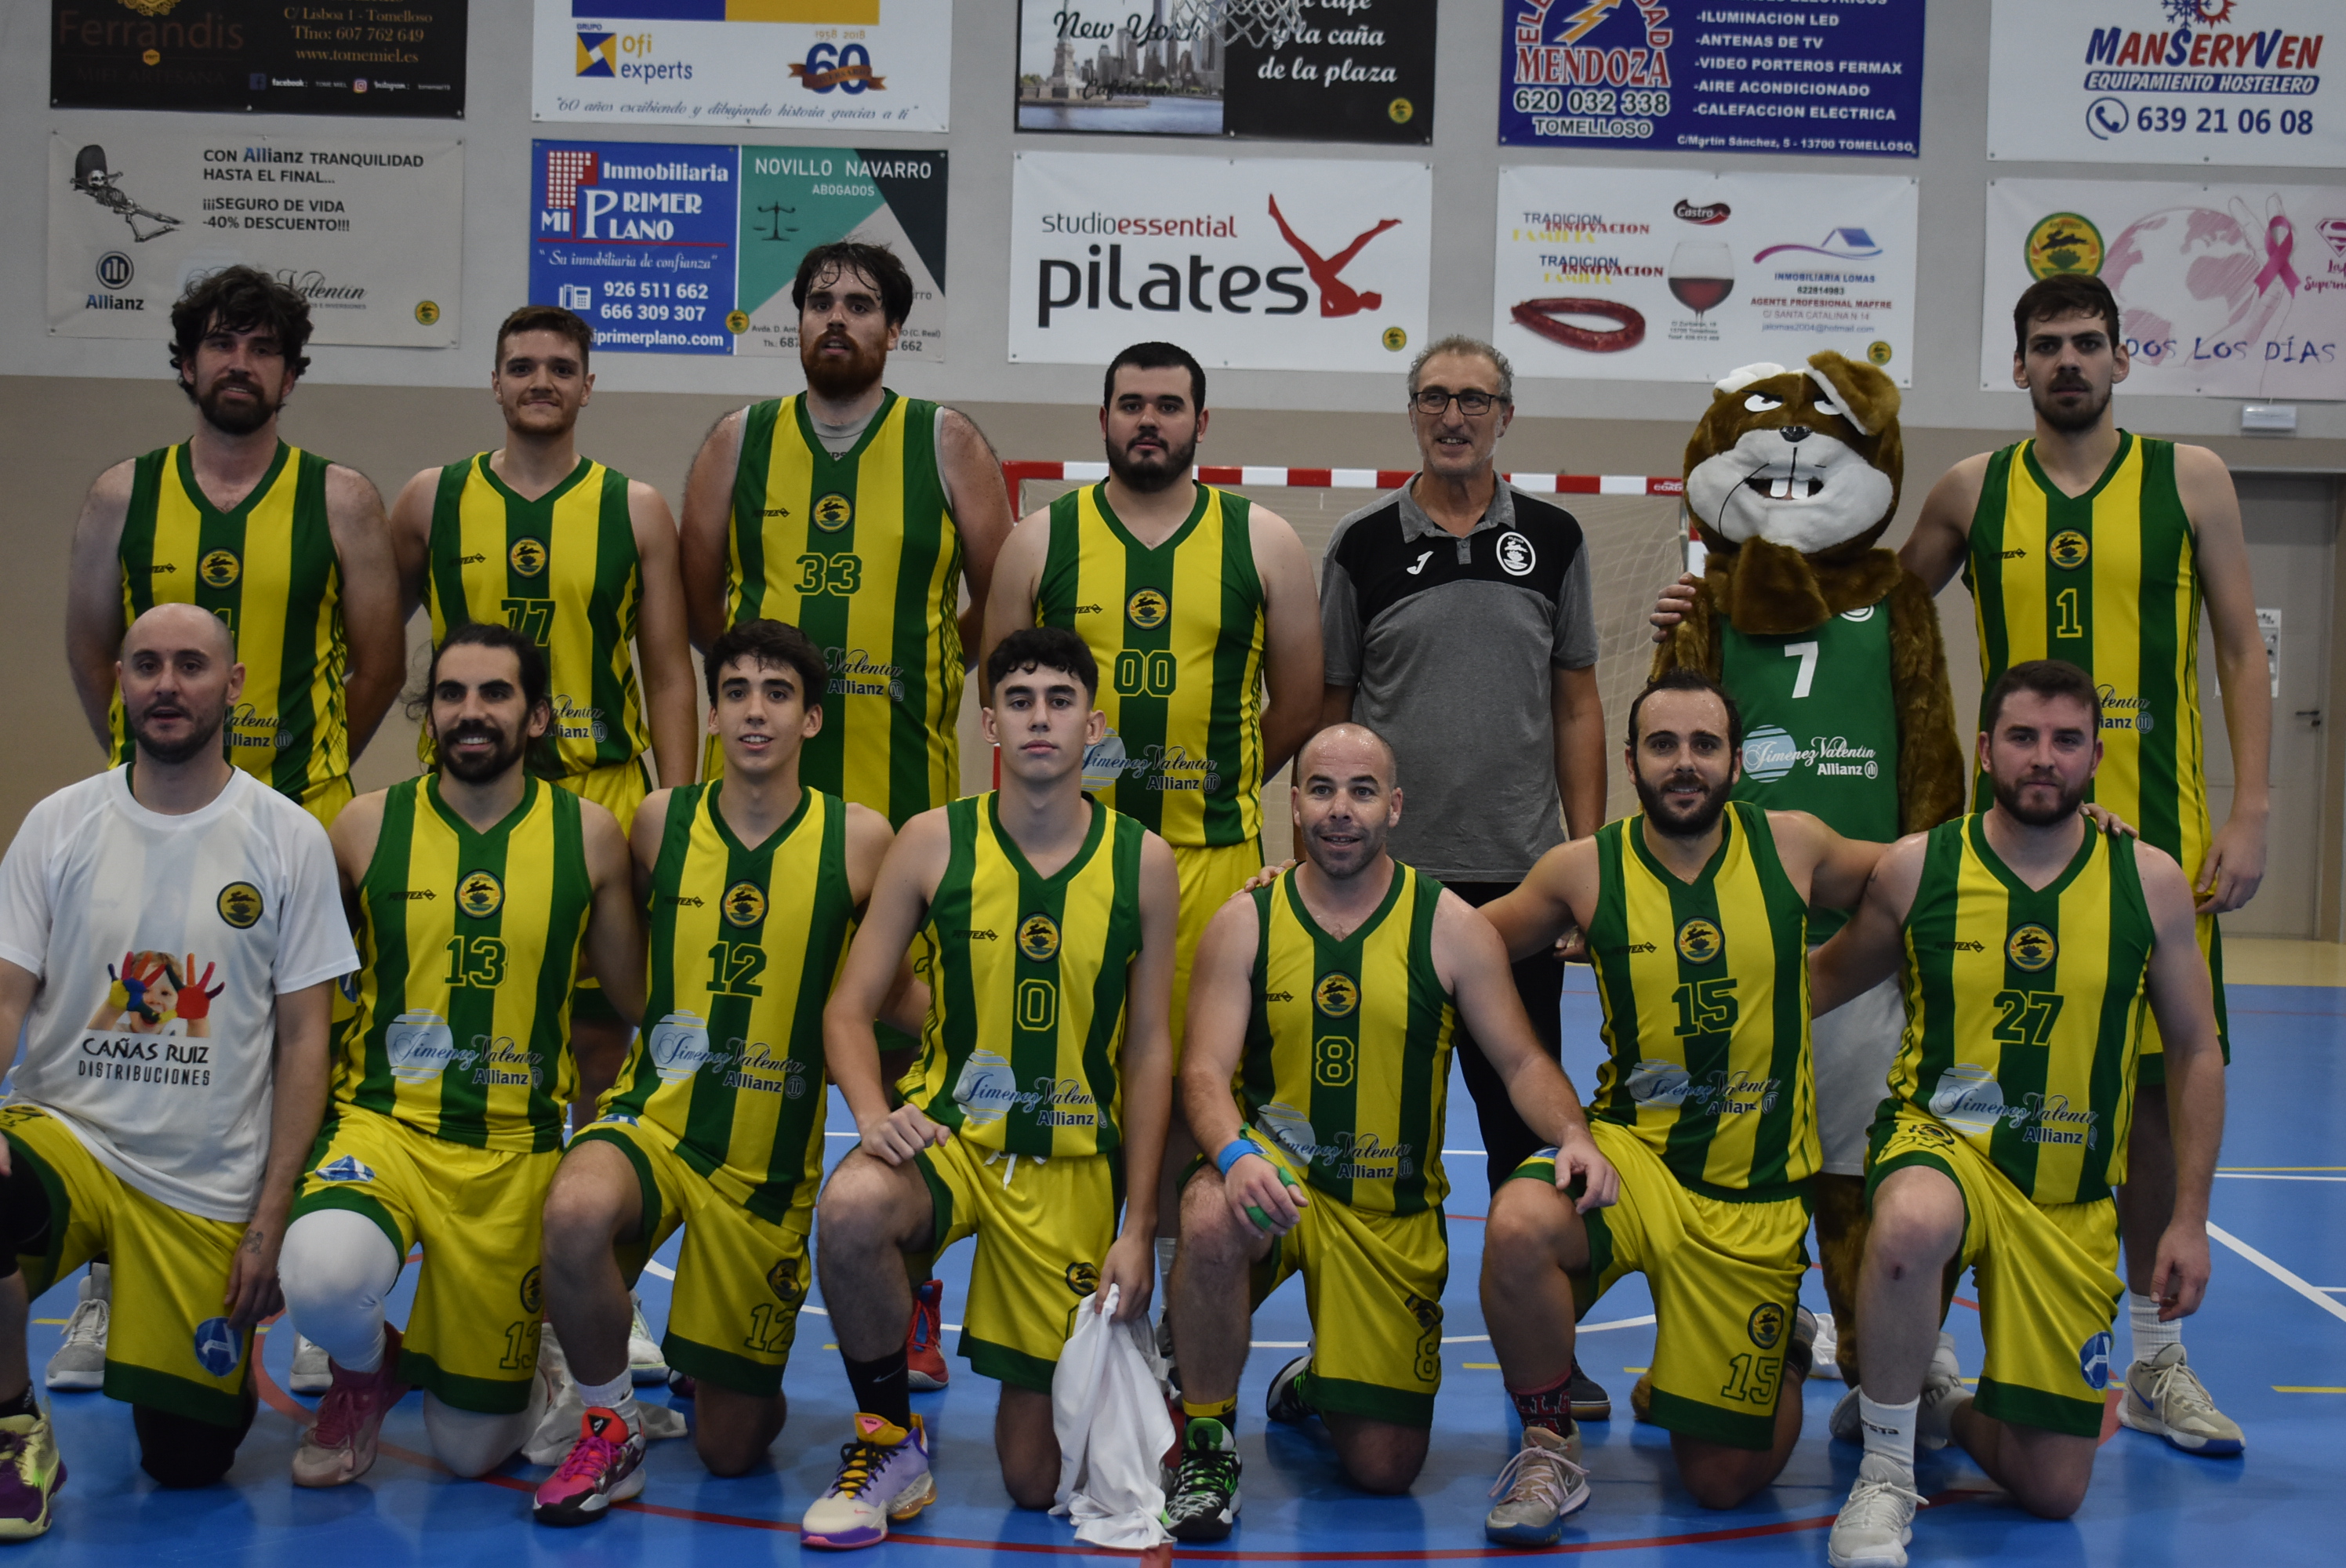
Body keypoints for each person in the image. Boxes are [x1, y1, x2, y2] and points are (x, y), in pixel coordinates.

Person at [1654, 274, 2266, 1449]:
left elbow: (2241, 648)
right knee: (1956, 1087)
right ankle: (1919, 1349)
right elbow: (1860, 601)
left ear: (2121, 357)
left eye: (2088, 342)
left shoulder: (2192, 478)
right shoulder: (1970, 490)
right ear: (2018, 364)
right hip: (1999, 843)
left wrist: (2255, 810)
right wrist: (1718, 596)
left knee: (2148, 1092)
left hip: (2158, 837)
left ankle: (2156, 1354)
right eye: (2048, 345)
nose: (2069, 361)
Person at [679, 240, 1018, 1385]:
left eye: (861, 304)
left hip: (904, 796)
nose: (837, 317)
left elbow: (1000, 599)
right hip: (759, 812)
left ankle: (912, 1289)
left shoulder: (946, 441)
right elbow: (702, 603)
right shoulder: (737, 439)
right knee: (750, 1037)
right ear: (796, 319)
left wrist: (926, 656)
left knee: (911, 1036)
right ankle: (729, 1284)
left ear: (894, 329)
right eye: (819, 300)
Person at [1813, 659, 2225, 1568]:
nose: (2044, 757)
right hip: (1943, 1139)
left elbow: (2196, 1050)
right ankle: (1883, 1474)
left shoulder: (2148, 879)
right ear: (1985, 749)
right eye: (2023, 737)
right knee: (1910, 1220)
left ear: (2096, 757)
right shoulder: (1920, 865)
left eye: (2066, 739)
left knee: (2051, 1488)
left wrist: (2188, 1217)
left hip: (2066, 1194)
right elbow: (1815, 983)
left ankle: (1939, 1407)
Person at [1162, 722, 1618, 1539]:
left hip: (1388, 1216)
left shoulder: (1452, 928)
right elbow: (1202, 1071)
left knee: (1383, 1467)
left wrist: (1574, 1134)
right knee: (1207, 1210)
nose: (1341, 809)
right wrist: (1232, 1155)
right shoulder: (1246, 920)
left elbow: (1521, 1061)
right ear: (1294, 803)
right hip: (1275, 1184)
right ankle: (1207, 1443)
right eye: (1322, 789)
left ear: (1395, 806)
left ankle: (1321, 1381)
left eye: (1362, 791)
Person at [1468, 670, 1891, 1542]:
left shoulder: (1794, 845)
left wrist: (2068, 824)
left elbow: (1925, 876)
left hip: (1754, 1195)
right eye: (1663, 745)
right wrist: (1311, 886)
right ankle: (1550, 1443)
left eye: (1705, 744)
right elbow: (1450, 938)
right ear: (1631, 762)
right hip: (1633, 1164)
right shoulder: (1584, 868)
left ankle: (1780, 1344)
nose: (1684, 763)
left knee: (1722, 1482)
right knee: (1517, 1222)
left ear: (1736, 761)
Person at [801, 626, 1178, 1548]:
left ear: (1092, 725)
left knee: (1032, 1479)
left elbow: (1148, 1052)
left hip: (1070, 1167)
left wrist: (1138, 1227)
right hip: (952, 1140)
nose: (1039, 716)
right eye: (1019, 699)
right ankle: (888, 1441)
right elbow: (848, 1008)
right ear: (990, 724)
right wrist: (871, 1114)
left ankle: (1126, 1368)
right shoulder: (932, 841)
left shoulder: (1144, 860)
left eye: (1059, 700)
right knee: (850, 1206)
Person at [532, 619, 913, 1523]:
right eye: (735, 690)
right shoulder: (660, 820)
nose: (754, 710)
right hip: (656, 1121)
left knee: (730, 1449)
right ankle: (611, 1424)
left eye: (777, 693)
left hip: (765, 1167)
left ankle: (718, 1364)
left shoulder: (862, 838)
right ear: (711, 715)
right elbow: (616, 956)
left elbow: (896, 990)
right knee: (574, 1208)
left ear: (811, 719)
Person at [0, 604, 354, 1529]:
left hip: (201, 1180)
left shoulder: (287, 837)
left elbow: (305, 1041)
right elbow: (5, 998)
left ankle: (159, 1326)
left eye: (191, 665)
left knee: (188, 1461)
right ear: (119, 679)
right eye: (147, 664)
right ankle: (12, 1424)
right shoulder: (59, 823)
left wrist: (269, 1215)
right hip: (68, 1136)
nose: (167, 684)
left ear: (231, 686)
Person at [982, 339, 1323, 1294]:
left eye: (1169, 405)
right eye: (1130, 403)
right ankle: (1069, 1281)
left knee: (1185, 1086)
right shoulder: (1039, 539)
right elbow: (1001, 688)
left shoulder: (1263, 540)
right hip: (1072, 860)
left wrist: (1218, 780)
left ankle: (1169, 1299)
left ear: (1200, 422)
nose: (1148, 420)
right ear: (1102, 418)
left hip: (1212, 858)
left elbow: (1300, 699)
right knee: (1066, 1073)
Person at [274, 623, 645, 1487]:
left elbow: (633, 999)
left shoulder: (590, 834)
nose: (470, 711)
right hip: (385, 1128)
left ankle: (521, 1370)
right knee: (321, 1274)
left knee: (470, 1453)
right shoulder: (364, 826)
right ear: (430, 712)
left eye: (495, 693)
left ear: (538, 716)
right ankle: (365, 1371)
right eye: (451, 693)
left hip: (513, 1151)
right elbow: (304, 996)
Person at [1320, 332, 1609, 1414]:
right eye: (1435, 397)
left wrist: (1584, 866)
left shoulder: (1555, 537)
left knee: (1522, 1136)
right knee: (1372, 1134)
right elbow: (1333, 719)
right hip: (1387, 895)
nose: (1454, 416)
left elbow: (1577, 701)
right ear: (1412, 411)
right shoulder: (1360, 546)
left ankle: (1553, 1361)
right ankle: (1355, 1345)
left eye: (1474, 399)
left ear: (1505, 415)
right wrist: (1316, 869)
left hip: (1519, 895)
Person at [387, 303, 698, 1129]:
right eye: (522, 366)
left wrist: (679, 809)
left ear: (588, 387)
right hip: (468, 796)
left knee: (600, 1036)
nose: (541, 382)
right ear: (494, 382)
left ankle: (582, 1187)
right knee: (474, 1005)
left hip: (603, 791)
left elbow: (669, 673)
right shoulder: (430, 499)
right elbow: (374, 645)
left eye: (561, 369)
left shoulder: (634, 507)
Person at [64, 264, 405, 829]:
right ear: (188, 364)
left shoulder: (344, 501)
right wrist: (154, 758)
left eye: (263, 349)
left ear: (289, 378)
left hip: (300, 807)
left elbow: (382, 670)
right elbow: (91, 655)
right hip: (153, 809)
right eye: (222, 343)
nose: (240, 363)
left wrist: (315, 765)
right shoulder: (120, 495)